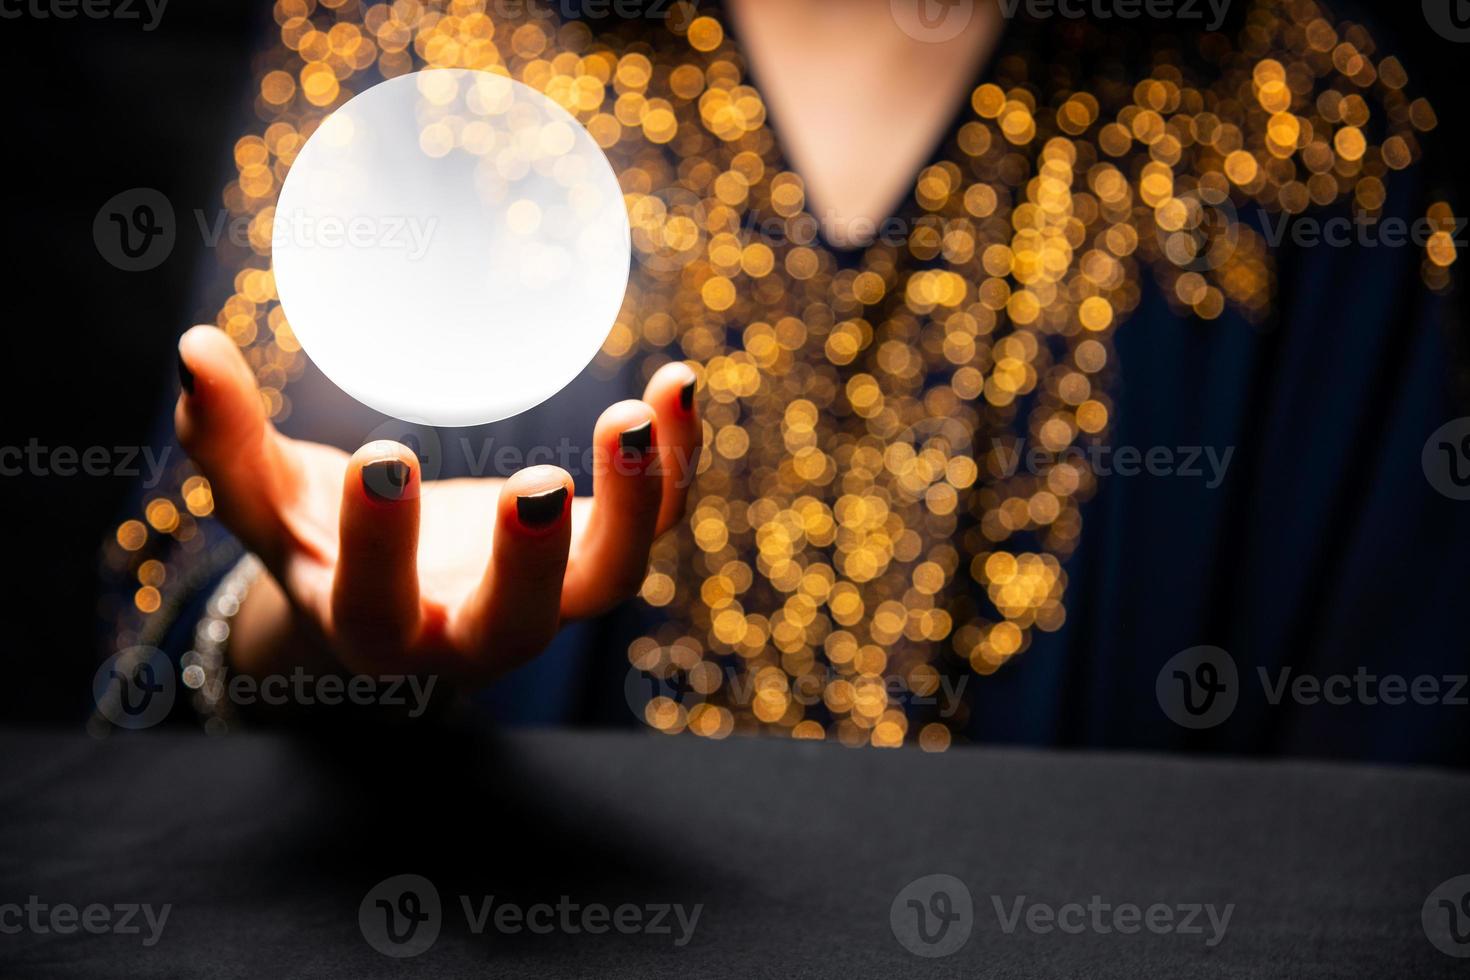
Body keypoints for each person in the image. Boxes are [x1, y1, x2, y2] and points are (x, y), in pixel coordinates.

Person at [105, 0, 1470, 764]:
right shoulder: (422, 62)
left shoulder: (1305, 127)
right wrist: (313, 637)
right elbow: (162, 673)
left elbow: (1389, 776)